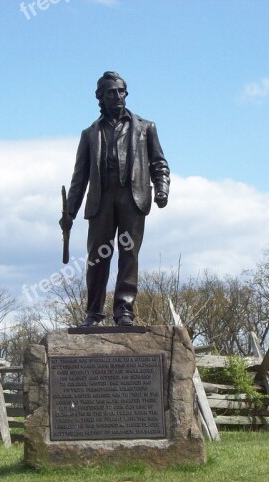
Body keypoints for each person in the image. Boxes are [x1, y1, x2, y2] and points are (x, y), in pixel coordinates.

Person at [61, 71, 170, 327]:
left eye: (121, 91)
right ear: (100, 97)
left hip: (133, 199)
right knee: (97, 257)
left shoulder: (145, 127)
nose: (118, 96)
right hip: (102, 201)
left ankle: (124, 311)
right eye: (112, 92)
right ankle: (94, 313)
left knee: (129, 254)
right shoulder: (89, 134)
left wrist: (162, 187)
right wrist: (70, 213)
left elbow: (159, 163)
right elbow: (79, 178)